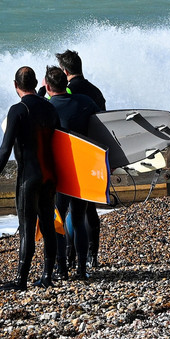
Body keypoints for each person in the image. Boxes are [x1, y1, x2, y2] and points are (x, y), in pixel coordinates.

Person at [0, 66, 60, 291]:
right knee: (48, 226)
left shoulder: (17, 110)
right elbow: (62, 143)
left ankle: (21, 281)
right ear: (36, 81)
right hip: (50, 175)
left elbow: (6, 147)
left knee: (27, 227)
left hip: (29, 177)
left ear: (15, 85)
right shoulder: (50, 108)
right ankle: (47, 275)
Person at [41, 49, 107, 270]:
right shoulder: (93, 94)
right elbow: (103, 125)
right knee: (86, 213)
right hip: (88, 161)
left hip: (63, 167)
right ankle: (90, 258)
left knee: (61, 214)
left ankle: (65, 260)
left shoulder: (57, 102)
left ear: (64, 71)